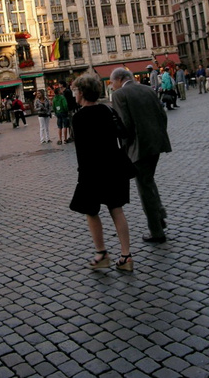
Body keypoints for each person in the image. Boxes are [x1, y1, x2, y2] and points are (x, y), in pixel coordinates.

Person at [66, 76, 136, 273]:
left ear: (81, 92)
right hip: (114, 167)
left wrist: (82, 175)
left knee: (91, 211)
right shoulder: (108, 110)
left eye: (75, 91)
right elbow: (122, 133)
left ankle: (102, 253)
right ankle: (126, 255)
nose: (74, 94)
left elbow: (82, 151)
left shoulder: (79, 117)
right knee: (117, 209)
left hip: (93, 171)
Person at [110, 68, 174, 244]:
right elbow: (162, 115)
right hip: (156, 143)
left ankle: (156, 231)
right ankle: (159, 215)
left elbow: (125, 125)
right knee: (149, 181)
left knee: (144, 187)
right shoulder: (148, 89)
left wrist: (124, 147)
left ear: (120, 79)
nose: (111, 86)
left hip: (138, 148)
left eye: (112, 82)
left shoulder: (120, 95)